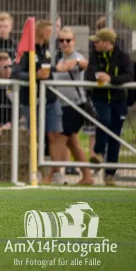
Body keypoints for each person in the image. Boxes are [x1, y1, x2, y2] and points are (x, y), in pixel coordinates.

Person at [12, 20, 65, 185]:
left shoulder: (47, 49)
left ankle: (57, 173)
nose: (53, 34)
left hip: (50, 98)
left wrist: (59, 69)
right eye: (50, 31)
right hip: (31, 101)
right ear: (41, 32)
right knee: (34, 137)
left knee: (55, 134)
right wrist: (34, 76)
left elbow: (47, 68)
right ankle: (35, 173)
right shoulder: (27, 51)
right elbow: (15, 73)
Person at [86, 28, 133, 186]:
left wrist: (111, 79)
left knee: (115, 136)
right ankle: (98, 152)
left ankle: (110, 174)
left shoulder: (123, 57)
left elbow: (128, 75)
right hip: (100, 98)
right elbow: (89, 75)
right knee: (103, 119)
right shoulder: (94, 56)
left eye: (97, 41)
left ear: (107, 43)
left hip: (118, 100)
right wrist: (98, 77)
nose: (94, 44)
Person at [52, 28, 93, 185]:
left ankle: (53, 174)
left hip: (75, 105)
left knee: (59, 140)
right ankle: (87, 176)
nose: (64, 43)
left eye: (68, 40)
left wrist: (75, 63)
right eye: (61, 40)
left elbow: (85, 64)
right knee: (73, 143)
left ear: (74, 41)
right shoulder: (60, 60)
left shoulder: (76, 58)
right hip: (63, 105)